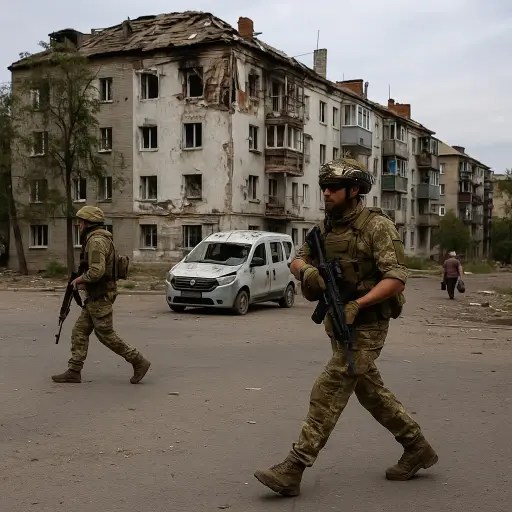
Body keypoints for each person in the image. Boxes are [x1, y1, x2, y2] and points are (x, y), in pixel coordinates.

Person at [254, 158, 438, 497]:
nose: (326, 192)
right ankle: (417, 447)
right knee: (371, 393)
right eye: (324, 187)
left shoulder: (376, 227)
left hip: (368, 323)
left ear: (354, 190)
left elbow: (397, 278)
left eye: (333, 187)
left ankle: (294, 466)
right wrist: (306, 271)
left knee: (329, 387)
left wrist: (359, 304)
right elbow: (297, 258)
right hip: (339, 323)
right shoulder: (326, 227)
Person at [52, 206, 151, 384]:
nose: (79, 226)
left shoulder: (96, 241)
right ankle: (74, 370)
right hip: (96, 294)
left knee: (105, 335)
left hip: (101, 294)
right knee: (79, 331)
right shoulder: (97, 238)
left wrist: (80, 280)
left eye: (81, 222)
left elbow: (97, 271)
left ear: (88, 223)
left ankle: (138, 360)